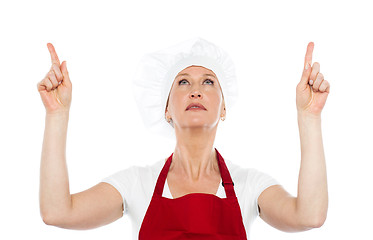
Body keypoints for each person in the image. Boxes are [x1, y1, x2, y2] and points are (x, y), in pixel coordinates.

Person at [38, 37, 329, 239]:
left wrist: (309, 117)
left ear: (224, 106)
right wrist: (57, 114)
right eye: (183, 82)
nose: (196, 90)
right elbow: (57, 212)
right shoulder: (138, 183)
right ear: (166, 108)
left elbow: (309, 216)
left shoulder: (249, 186)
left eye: (208, 82)